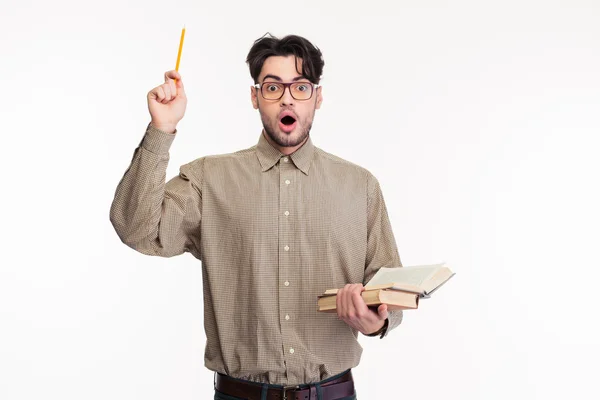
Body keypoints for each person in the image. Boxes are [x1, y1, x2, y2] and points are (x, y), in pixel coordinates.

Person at [110, 33, 403, 400]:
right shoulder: (209, 179)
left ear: (318, 96)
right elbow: (136, 229)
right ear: (255, 97)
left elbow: (388, 285)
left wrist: (377, 319)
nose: (286, 98)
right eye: (272, 87)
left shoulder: (360, 186)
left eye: (300, 87)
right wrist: (161, 129)